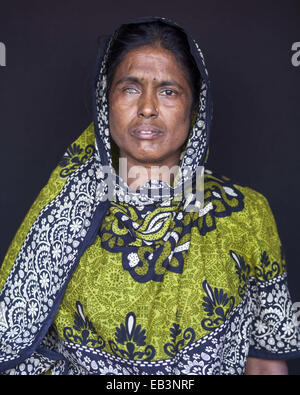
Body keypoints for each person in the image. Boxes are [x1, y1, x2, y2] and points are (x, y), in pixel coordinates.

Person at [0, 17, 299, 375]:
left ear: (195, 108)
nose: (147, 107)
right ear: (104, 101)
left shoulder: (245, 215)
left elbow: (265, 361)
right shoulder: (66, 217)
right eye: (129, 88)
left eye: (169, 91)